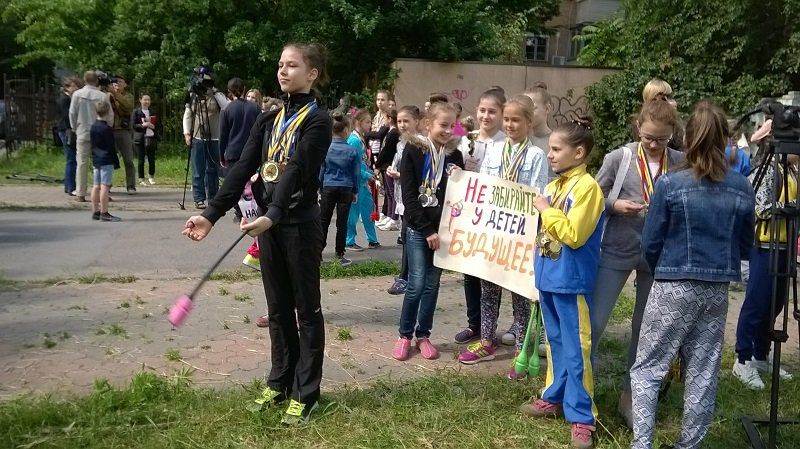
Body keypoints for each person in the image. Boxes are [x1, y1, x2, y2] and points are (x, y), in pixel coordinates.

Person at [182, 42, 332, 425]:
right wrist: (211, 214)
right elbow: (242, 168)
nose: (283, 71)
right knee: (278, 309)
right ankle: (279, 381)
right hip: (269, 225)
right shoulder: (268, 120)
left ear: (312, 74)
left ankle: (306, 393)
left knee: (306, 310)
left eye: (292, 65)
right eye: (280, 64)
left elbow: (297, 168)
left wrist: (275, 213)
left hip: (299, 225)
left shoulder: (318, 121)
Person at [631, 101, 755, 449]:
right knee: (703, 371)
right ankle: (689, 445)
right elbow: (746, 245)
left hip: (672, 284)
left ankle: (642, 443)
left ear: (687, 138)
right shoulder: (741, 186)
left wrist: (663, 271)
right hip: (716, 289)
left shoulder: (670, 184)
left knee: (648, 368)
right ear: (725, 139)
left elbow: (650, 243)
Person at [589, 99, 685, 427]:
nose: (654, 145)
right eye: (648, 138)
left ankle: (631, 397)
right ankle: (580, 389)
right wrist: (615, 206)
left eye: (662, 139)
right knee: (595, 321)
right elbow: (592, 197)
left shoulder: (680, 162)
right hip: (617, 248)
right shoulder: (620, 158)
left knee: (645, 330)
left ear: (672, 133)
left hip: (658, 256)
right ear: (637, 128)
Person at [519, 117, 604, 449]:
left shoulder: (588, 188)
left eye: (556, 149)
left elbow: (573, 234)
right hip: (549, 279)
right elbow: (546, 237)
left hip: (572, 282)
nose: (550, 154)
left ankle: (583, 417)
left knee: (577, 348)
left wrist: (546, 210)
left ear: (578, 152)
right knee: (555, 345)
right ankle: (554, 397)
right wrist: (538, 273)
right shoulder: (554, 188)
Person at [458, 94, 548, 369]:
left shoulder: (536, 155)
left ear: (529, 122)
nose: (509, 124)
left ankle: (521, 346)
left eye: (515, 120)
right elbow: (484, 187)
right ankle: (487, 340)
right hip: (494, 232)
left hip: (520, 235)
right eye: (506, 119)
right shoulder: (495, 150)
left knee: (520, 293)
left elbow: (537, 194)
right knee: (488, 289)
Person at [392, 101, 464, 361]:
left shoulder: (455, 155)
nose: (448, 131)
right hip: (418, 229)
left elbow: (459, 197)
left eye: (452, 126)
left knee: (432, 285)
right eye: (443, 125)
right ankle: (404, 335)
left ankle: (423, 335)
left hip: (443, 231)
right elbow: (409, 196)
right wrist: (426, 230)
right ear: (428, 124)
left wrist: (460, 177)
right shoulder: (413, 150)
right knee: (417, 283)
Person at [732, 152, 796, 390]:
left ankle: (761, 355)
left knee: (775, 304)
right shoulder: (769, 169)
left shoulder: (791, 171)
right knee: (757, 303)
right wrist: (789, 208)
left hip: (785, 247)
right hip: (764, 247)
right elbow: (760, 207)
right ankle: (742, 359)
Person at [452, 88, 507, 345]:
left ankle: (491, 327)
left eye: (492, 111)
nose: (486, 116)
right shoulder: (465, 139)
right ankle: (474, 324)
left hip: (494, 218)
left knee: (492, 275)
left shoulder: (506, 143)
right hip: (468, 216)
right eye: (482, 110)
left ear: (502, 113)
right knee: (470, 273)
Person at [385, 105, 421, 295]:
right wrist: (392, 170)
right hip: (401, 196)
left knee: (409, 238)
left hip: (413, 199)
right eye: (399, 121)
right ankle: (408, 276)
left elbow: (418, 174)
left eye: (406, 121)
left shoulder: (420, 144)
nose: (402, 125)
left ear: (417, 121)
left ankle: (406, 277)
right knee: (405, 237)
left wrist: (399, 174)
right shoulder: (400, 143)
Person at [182, 72, 230, 209]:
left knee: (213, 169)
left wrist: (214, 91)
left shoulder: (217, 96)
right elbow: (187, 115)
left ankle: (213, 197)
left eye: (208, 83)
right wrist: (187, 133)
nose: (205, 86)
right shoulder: (193, 96)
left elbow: (227, 106)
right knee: (198, 169)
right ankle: (199, 198)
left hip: (215, 137)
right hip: (198, 136)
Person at [319, 112, 360, 266]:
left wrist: (320, 186)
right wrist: (355, 190)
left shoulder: (326, 148)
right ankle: (339, 254)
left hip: (328, 186)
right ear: (345, 131)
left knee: (323, 221)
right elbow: (356, 173)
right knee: (342, 222)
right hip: (346, 187)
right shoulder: (352, 150)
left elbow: (321, 170)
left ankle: (318, 253)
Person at [70, 71, 114, 202]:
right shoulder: (102, 96)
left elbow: (72, 113)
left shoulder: (77, 94)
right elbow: (110, 114)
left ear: (84, 80)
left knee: (82, 162)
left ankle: (80, 192)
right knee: (101, 163)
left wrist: (74, 128)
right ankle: (102, 192)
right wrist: (108, 127)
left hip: (83, 130)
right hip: (99, 132)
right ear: (97, 81)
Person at [345, 109, 380, 251]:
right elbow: (353, 165)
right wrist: (366, 175)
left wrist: (370, 172)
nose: (370, 125)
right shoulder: (354, 140)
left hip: (363, 183)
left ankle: (372, 239)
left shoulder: (360, 139)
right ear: (358, 122)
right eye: (367, 122)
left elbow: (362, 162)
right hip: (356, 183)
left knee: (368, 210)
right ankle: (349, 241)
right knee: (353, 214)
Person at [90, 100, 121, 222]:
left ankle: (95, 211)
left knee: (95, 186)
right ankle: (104, 212)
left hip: (96, 158)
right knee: (105, 186)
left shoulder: (93, 127)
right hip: (106, 159)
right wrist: (115, 160)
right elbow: (111, 146)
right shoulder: (107, 128)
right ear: (108, 112)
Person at [108, 74, 137, 193]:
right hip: (109, 130)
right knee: (108, 159)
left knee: (128, 159)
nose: (117, 84)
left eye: (120, 82)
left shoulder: (128, 96)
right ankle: (106, 185)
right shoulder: (107, 95)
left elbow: (128, 106)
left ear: (125, 84)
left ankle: (131, 185)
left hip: (123, 130)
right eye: (115, 82)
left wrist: (115, 94)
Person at [375, 109, 401, 231]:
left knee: (392, 192)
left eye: (385, 118)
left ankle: (394, 218)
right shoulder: (389, 131)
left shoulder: (393, 133)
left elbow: (386, 151)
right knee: (388, 192)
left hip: (389, 165)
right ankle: (390, 215)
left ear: (390, 119)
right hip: (385, 166)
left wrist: (377, 163)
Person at [57, 76, 81, 196]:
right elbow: (68, 115)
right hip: (66, 130)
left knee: (72, 158)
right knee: (71, 158)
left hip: (69, 130)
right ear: (67, 87)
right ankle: (71, 187)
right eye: (73, 86)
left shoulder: (71, 98)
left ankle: (69, 186)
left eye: (77, 86)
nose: (76, 88)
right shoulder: (65, 99)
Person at [132, 94, 159, 186]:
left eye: (148, 100)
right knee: (141, 159)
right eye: (145, 100)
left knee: (152, 159)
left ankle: (151, 176)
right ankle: (141, 178)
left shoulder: (153, 112)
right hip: (140, 138)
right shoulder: (136, 112)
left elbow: (159, 125)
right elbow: (133, 125)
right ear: (140, 100)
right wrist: (143, 125)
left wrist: (153, 126)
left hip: (151, 138)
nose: (147, 102)